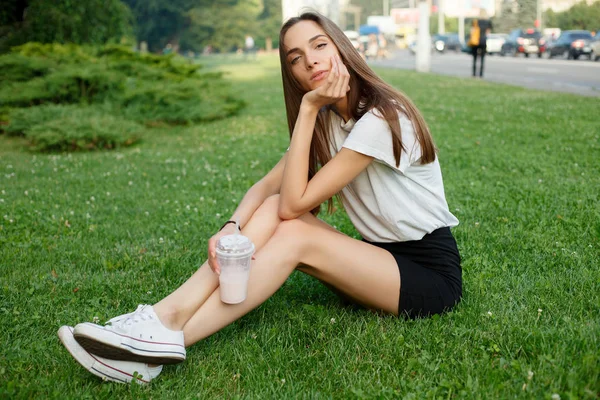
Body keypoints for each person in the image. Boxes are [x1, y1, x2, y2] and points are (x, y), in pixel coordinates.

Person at [57, 11, 462, 385]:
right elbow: (266, 190)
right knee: (270, 210)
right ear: (293, 73)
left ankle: (161, 346)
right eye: (296, 58)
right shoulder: (330, 121)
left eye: (320, 45)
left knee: (294, 231)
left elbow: (292, 206)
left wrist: (306, 111)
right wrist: (230, 227)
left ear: (342, 47)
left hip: (427, 277)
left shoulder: (377, 118)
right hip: (378, 264)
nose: (311, 62)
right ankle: (164, 318)